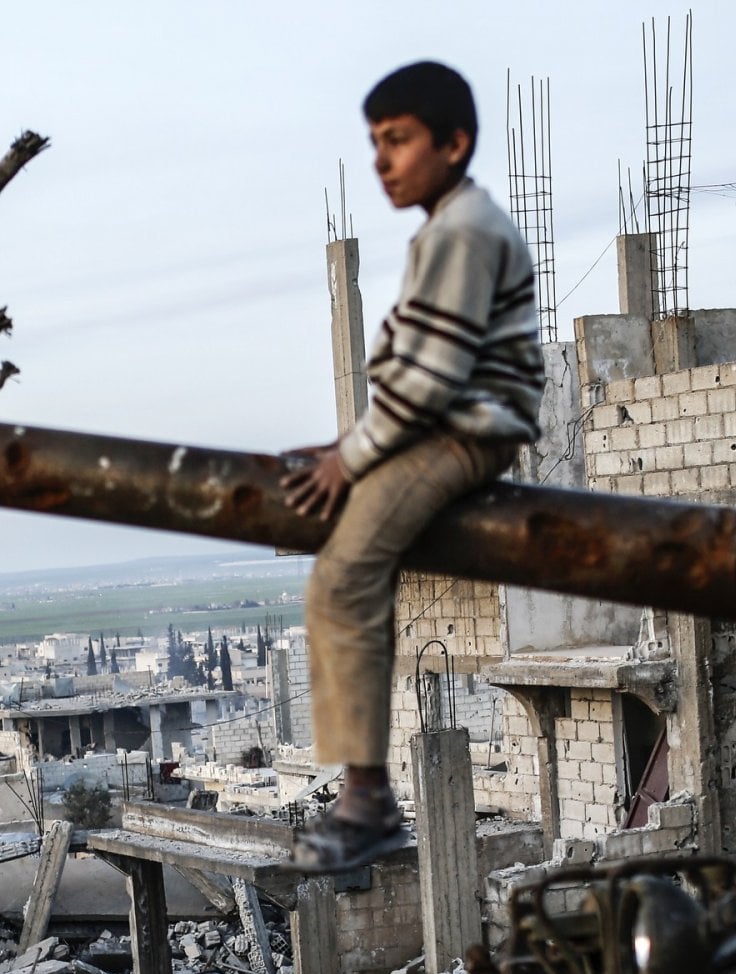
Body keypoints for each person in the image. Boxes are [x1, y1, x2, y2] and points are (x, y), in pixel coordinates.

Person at [283, 61, 545, 871]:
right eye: (375, 144)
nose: (383, 161)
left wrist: (351, 458)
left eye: (398, 141)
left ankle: (366, 798)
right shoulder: (447, 228)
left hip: (461, 433)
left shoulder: (464, 231)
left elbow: (428, 379)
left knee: (344, 573)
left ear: (454, 142)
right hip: (443, 426)